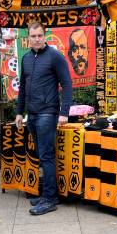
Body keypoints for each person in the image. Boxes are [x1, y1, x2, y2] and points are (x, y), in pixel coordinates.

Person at [15, 22, 73, 215]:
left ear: (45, 36)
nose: (37, 39)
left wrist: (64, 112)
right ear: (28, 38)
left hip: (48, 112)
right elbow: (22, 88)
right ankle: (50, 194)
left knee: (47, 156)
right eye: (34, 36)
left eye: (40, 35)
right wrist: (18, 112)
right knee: (42, 155)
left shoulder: (55, 56)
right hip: (31, 114)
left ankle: (49, 199)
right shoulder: (26, 58)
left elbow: (67, 84)